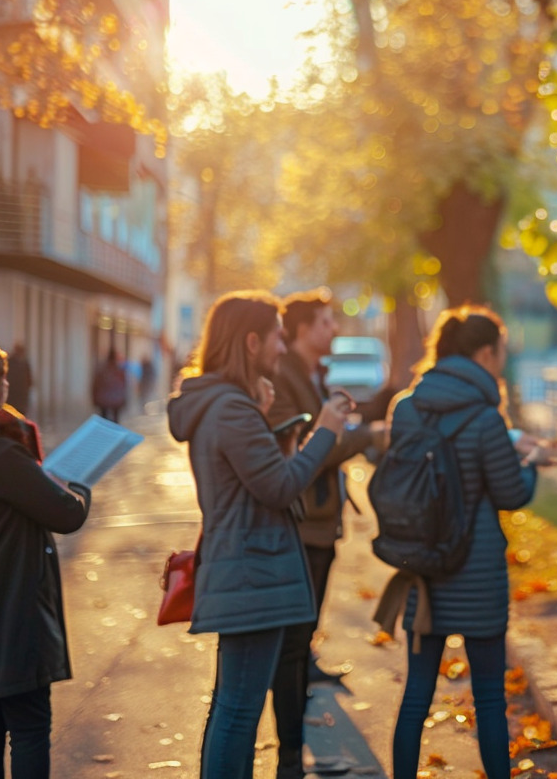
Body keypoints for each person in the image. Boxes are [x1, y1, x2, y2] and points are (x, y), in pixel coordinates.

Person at [166, 291, 351, 779]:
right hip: (253, 569)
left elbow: (257, 478)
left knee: (231, 707)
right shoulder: (230, 410)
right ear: (251, 342)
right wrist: (326, 431)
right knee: (238, 713)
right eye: (276, 336)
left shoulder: (226, 407)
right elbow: (280, 487)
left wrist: (279, 435)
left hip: (246, 566)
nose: (282, 347)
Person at [381, 305, 553, 779]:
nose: (501, 362)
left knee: (416, 695)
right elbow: (511, 492)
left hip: (425, 569)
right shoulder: (484, 417)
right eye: (500, 353)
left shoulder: (407, 407)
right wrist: (533, 460)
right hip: (476, 574)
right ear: (483, 353)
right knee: (491, 699)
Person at [267, 289, 381, 778]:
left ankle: (294, 739)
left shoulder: (310, 374)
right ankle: (289, 756)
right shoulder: (286, 376)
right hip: (304, 522)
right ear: (299, 331)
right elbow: (311, 450)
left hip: (320, 520)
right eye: (325, 322)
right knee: (291, 643)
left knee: (302, 634)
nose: (334, 330)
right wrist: (366, 435)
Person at [0, 339, 91, 779]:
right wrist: (76, 486)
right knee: (28, 727)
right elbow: (66, 513)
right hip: (11, 615)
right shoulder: (2, 453)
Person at [91, 348, 127, 422]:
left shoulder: (101, 369)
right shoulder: (119, 370)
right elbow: (124, 385)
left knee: (104, 418)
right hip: (116, 399)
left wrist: (94, 396)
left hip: (103, 398)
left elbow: (96, 383)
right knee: (115, 419)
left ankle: (106, 431)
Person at [8, 342, 33, 415]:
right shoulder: (24, 363)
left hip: (13, 395)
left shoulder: (9, 362)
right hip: (18, 396)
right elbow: (29, 380)